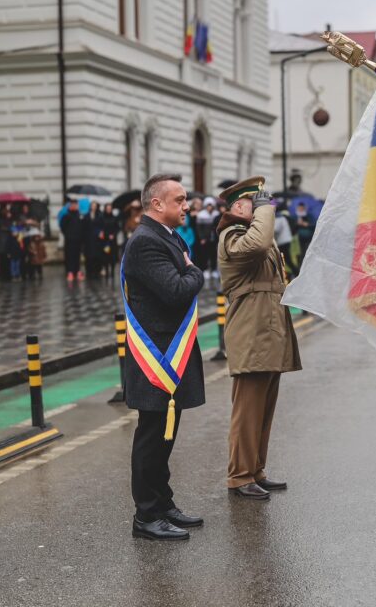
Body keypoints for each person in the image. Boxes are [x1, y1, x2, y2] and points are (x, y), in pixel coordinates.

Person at [122, 173, 205, 541]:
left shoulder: (167, 237)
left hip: (171, 352)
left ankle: (163, 503)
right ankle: (146, 515)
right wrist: (193, 270)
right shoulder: (145, 242)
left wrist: (187, 270)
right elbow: (176, 291)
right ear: (156, 204)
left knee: (165, 436)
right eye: (179, 200)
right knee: (152, 437)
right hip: (156, 356)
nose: (186, 206)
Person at [217, 177, 302, 500]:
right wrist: (265, 212)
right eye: (257, 203)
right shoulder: (232, 235)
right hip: (251, 330)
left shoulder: (253, 233)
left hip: (268, 328)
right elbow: (257, 246)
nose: (265, 208)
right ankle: (239, 475)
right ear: (239, 206)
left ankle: (255, 470)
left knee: (264, 408)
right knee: (248, 410)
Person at [60, 199, 84, 282]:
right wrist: (68, 235)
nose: (74, 206)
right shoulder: (66, 216)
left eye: (76, 205)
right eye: (73, 205)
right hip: (69, 240)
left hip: (78, 239)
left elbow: (82, 227)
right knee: (69, 256)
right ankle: (70, 272)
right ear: (70, 206)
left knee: (77, 256)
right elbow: (63, 227)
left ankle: (77, 271)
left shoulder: (80, 215)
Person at [274, 201, 293, 277]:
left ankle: (291, 273)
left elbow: (276, 230)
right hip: (285, 240)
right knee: (285, 259)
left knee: (284, 259)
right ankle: (291, 273)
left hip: (283, 242)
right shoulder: (282, 217)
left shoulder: (279, 218)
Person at [101, 203, 120, 279]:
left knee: (113, 256)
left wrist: (113, 235)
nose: (109, 210)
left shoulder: (114, 218)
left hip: (113, 241)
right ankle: (106, 271)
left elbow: (117, 228)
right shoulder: (102, 218)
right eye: (107, 208)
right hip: (105, 241)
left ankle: (112, 272)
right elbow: (101, 228)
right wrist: (105, 235)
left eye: (110, 208)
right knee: (106, 256)